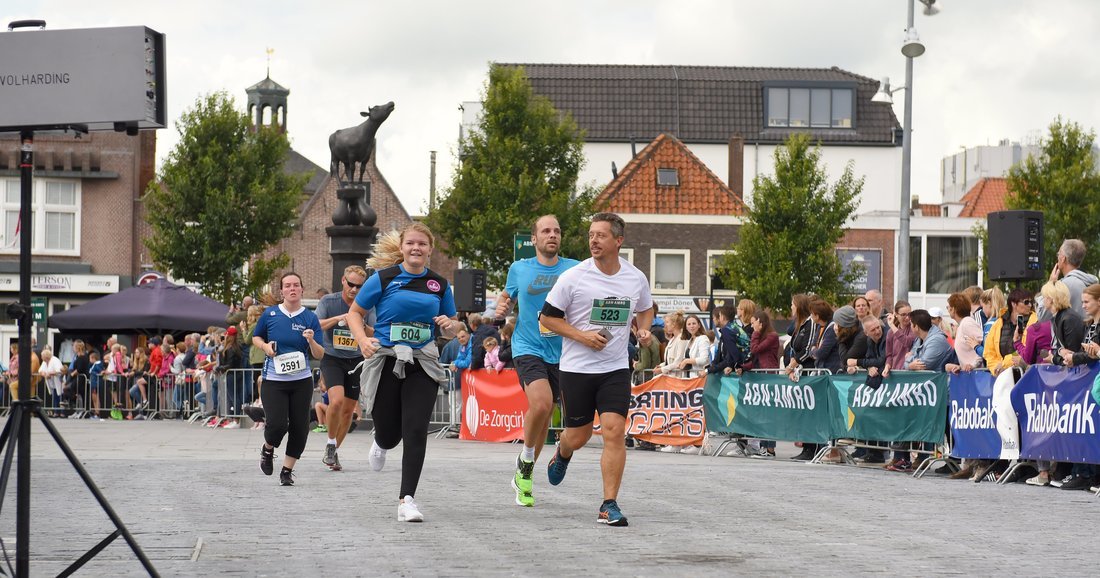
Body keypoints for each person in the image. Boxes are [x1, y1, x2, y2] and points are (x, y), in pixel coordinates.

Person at [538, 212, 654, 527]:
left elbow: (645, 309)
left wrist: (644, 330)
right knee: (580, 435)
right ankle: (563, 451)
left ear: (618, 241)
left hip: (615, 368)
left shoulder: (635, 277)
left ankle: (608, 504)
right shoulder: (574, 277)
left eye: (601, 235)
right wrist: (582, 336)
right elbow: (547, 318)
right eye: (591, 235)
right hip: (577, 368)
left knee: (614, 430)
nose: (593, 240)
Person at [345, 223, 460, 523]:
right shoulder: (383, 278)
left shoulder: (439, 284)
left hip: (422, 360)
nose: (416, 248)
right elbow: (354, 313)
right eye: (411, 243)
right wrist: (362, 339)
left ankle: (406, 500)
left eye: (422, 244)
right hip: (386, 357)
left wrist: (450, 326)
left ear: (430, 249)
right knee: (390, 432)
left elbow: (454, 324)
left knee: (416, 428)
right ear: (402, 247)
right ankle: (381, 442)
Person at [252, 272, 325, 487]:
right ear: (281, 291)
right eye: (287, 285)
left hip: (301, 381)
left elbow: (320, 354)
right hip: (274, 380)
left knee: (300, 428)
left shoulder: (310, 317)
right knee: (277, 424)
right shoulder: (270, 314)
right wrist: (266, 347)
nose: (292, 288)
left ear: (302, 289)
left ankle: (287, 471)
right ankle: (268, 449)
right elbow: (256, 337)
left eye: (296, 285)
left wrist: (311, 341)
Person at [315, 265, 373, 472]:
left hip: (356, 360)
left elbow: (374, 332)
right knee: (337, 400)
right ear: (343, 281)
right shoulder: (328, 301)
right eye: (351, 284)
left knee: (349, 411)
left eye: (359, 286)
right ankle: (331, 441)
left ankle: (333, 451)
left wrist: (359, 324)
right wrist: (338, 319)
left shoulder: (367, 305)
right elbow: (316, 324)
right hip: (332, 358)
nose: (354, 290)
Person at [846, 315, 889, 464]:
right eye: (873, 330)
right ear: (866, 333)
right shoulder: (870, 341)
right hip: (876, 384)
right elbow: (871, 359)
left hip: (888, 383)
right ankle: (872, 450)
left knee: (883, 416)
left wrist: (858, 362)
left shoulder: (887, 336)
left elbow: (882, 360)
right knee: (869, 413)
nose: (877, 331)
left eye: (878, 327)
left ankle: (880, 452)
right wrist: (868, 366)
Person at [983, 288, 1037, 376]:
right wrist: (996, 369)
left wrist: (1004, 364)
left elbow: (1026, 350)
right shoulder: (998, 324)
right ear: (1014, 304)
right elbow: (989, 353)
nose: (1030, 305)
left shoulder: (1035, 322)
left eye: (1031, 302)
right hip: (1003, 376)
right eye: (1026, 302)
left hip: (1026, 374)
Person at [1047, 239, 1097, 318]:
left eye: (1058, 254)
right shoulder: (1090, 282)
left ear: (1063, 258)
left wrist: (1050, 284)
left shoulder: (1064, 285)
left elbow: (1042, 315)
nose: (1057, 257)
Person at [1045, 281, 1085, 367]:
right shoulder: (1060, 316)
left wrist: (1053, 359)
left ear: (1051, 299)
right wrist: (1060, 351)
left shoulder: (1069, 319)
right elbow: (1062, 350)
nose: (1043, 300)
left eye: (1045, 297)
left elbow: (1072, 355)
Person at [652, 312, 690, 377]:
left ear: (674, 324)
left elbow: (678, 362)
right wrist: (661, 365)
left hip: (678, 377)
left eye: (667, 322)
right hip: (670, 376)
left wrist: (662, 369)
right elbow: (669, 361)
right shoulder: (672, 339)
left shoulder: (682, 339)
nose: (665, 325)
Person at [39, 347, 65, 417]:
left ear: (46, 356)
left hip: (59, 382)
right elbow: (40, 370)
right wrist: (44, 374)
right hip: (52, 384)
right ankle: (56, 412)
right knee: (55, 397)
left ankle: (62, 413)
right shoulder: (45, 362)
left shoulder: (55, 360)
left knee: (60, 397)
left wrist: (50, 373)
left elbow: (59, 370)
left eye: (42, 356)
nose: (41, 357)